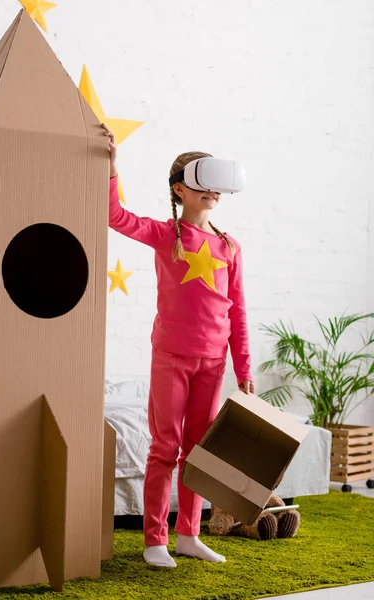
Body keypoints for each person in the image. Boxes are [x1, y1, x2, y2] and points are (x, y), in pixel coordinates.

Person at [102, 123, 254, 568]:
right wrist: (113, 168)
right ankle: (155, 540)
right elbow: (116, 217)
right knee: (164, 447)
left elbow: (237, 311)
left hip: (214, 361)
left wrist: (243, 369)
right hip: (171, 356)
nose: (212, 192)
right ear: (180, 190)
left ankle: (189, 534)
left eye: (215, 186)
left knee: (198, 451)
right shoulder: (166, 234)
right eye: (200, 184)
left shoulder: (230, 247)